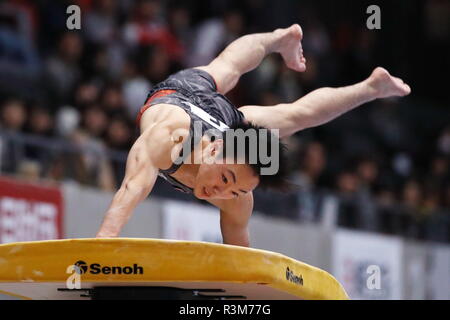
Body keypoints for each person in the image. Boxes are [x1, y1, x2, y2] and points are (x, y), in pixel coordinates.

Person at [96, 24, 410, 246]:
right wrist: (102, 245)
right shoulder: (167, 139)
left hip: (221, 124)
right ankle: (277, 38)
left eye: (234, 190)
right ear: (215, 150)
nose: (222, 192)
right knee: (225, 67)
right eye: (227, 178)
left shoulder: (239, 198)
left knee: (295, 116)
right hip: (181, 97)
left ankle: (371, 88)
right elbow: (130, 190)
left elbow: (241, 261)